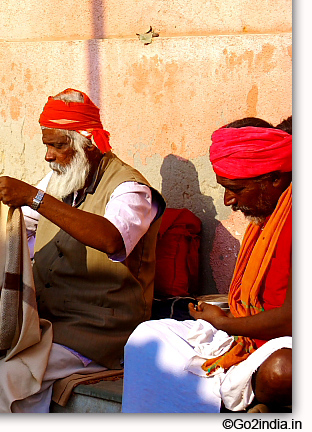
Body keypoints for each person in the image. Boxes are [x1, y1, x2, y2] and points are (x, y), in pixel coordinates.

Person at [0, 88, 165, 412]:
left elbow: (113, 240)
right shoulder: (61, 179)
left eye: (58, 145)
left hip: (101, 330)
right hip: (51, 320)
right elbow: (18, 227)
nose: (49, 156)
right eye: (47, 145)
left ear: (87, 143)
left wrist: (35, 197)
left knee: (8, 377)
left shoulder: (130, 189)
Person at [123, 118, 291, 413]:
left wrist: (226, 323)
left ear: (275, 179)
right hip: (246, 338)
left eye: (236, 189)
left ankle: (248, 398)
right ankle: (238, 394)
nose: (228, 201)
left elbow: (293, 319)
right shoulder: (267, 216)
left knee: (282, 371)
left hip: (281, 342)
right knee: (147, 337)